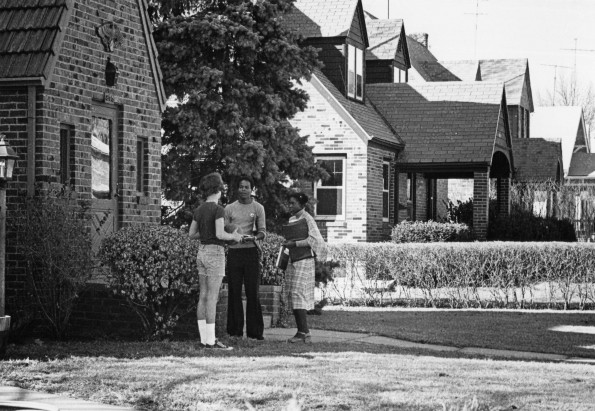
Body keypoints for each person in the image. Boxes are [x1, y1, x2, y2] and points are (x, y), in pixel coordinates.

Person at [189, 172, 243, 350]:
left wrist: (206, 234)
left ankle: (204, 339)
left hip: (202, 252)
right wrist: (234, 237)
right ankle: (211, 341)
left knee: (203, 296)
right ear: (218, 189)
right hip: (215, 253)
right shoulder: (218, 209)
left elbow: (191, 234)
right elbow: (221, 234)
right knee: (213, 297)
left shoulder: (199, 209)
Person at [225, 176, 267, 340]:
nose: (243, 189)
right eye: (241, 186)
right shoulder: (229, 208)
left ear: (252, 189)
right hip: (234, 252)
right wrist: (233, 235)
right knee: (234, 292)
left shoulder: (258, 208)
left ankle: (255, 333)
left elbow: (263, 231)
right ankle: (234, 331)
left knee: (252, 292)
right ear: (237, 189)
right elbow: (225, 230)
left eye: (246, 187)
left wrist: (255, 238)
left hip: (251, 252)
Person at [283, 192, 327, 344]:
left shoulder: (307, 219)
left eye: (293, 203)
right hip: (293, 259)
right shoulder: (292, 219)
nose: (290, 205)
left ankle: (304, 332)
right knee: (293, 293)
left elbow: (315, 240)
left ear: (301, 205)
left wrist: (295, 243)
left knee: (298, 293)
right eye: (289, 203)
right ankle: (302, 331)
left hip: (304, 260)